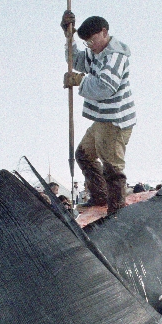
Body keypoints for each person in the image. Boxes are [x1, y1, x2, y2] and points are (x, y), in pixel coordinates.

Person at [61, 11, 136, 214]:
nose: (90, 45)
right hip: (102, 119)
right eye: (87, 42)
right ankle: (100, 197)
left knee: (112, 167)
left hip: (115, 120)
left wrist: (79, 80)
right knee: (83, 155)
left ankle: (117, 211)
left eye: (92, 40)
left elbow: (105, 87)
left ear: (104, 33)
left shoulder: (115, 56)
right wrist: (69, 38)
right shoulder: (96, 53)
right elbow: (76, 61)